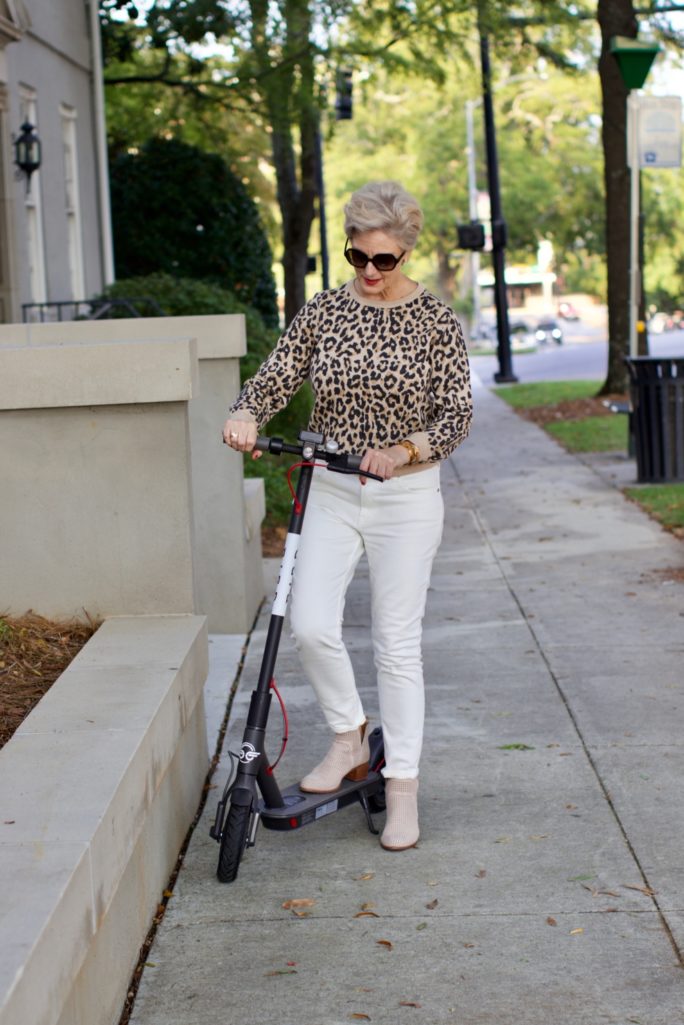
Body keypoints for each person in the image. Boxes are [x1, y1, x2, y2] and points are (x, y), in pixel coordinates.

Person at [223, 180, 472, 851]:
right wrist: (247, 411)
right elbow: (279, 372)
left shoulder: (436, 323)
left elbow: (457, 413)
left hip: (406, 499)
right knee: (307, 623)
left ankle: (403, 791)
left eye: (383, 260)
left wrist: (406, 448)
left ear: (406, 252)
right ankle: (348, 735)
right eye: (357, 256)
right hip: (332, 487)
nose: (367, 272)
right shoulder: (324, 312)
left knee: (396, 644)